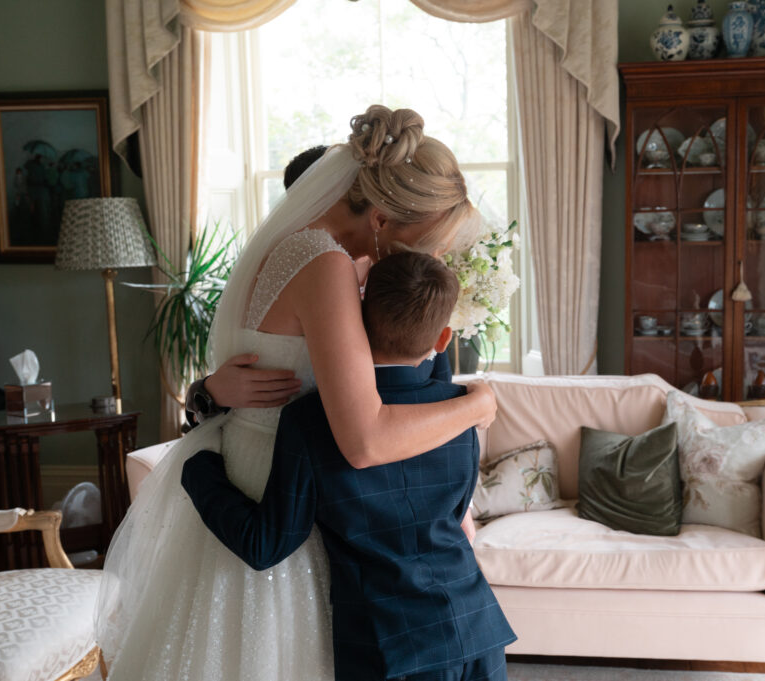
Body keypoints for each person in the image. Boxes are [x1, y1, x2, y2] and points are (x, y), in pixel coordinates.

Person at [95, 105, 496, 681]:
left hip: (271, 471)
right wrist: (478, 404)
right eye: (423, 241)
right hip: (282, 501)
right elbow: (363, 440)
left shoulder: (301, 247)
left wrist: (204, 392)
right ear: (382, 216)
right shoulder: (325, 265)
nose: (425, 258)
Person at [182, 251, 515, 681]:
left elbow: (265, 545)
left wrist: (198, 467)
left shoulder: (309, 421)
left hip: (388, 646)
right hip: (476, 626)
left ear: (354, 317)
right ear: (444, 339)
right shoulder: (461, 412)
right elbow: (455, 512)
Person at [184, 143, 450, 428]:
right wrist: (206, 392)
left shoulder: (392, 261)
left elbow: (432, 359)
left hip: (386, 432)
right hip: (307, 449)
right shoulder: (305, 262)